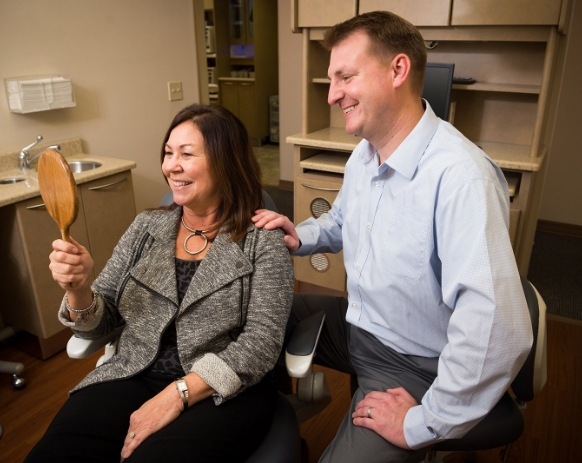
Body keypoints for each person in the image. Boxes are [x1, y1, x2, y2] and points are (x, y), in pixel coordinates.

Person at [253, 10, 533, 463]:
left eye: (344, 77)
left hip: (413, 361)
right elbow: (343, 222)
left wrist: (421, 422)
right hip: (361, 324)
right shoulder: (366, 154)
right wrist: (299, 236)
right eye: (331, 80)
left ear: (397, 70)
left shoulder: (461, 179)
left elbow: (499, 330)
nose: (332, 95)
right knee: (256, 311)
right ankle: (279, 412)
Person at [26, 104, 294, 463]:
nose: (172, 166)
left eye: (187, 154)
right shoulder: (145, 229)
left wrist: (177, 394)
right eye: (168, 153)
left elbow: (260, 345)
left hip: (223, 390)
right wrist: (78, 289)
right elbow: (100, 323)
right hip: (134, 372)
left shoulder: (263, 241)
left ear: (226, 161)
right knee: (58, 452)